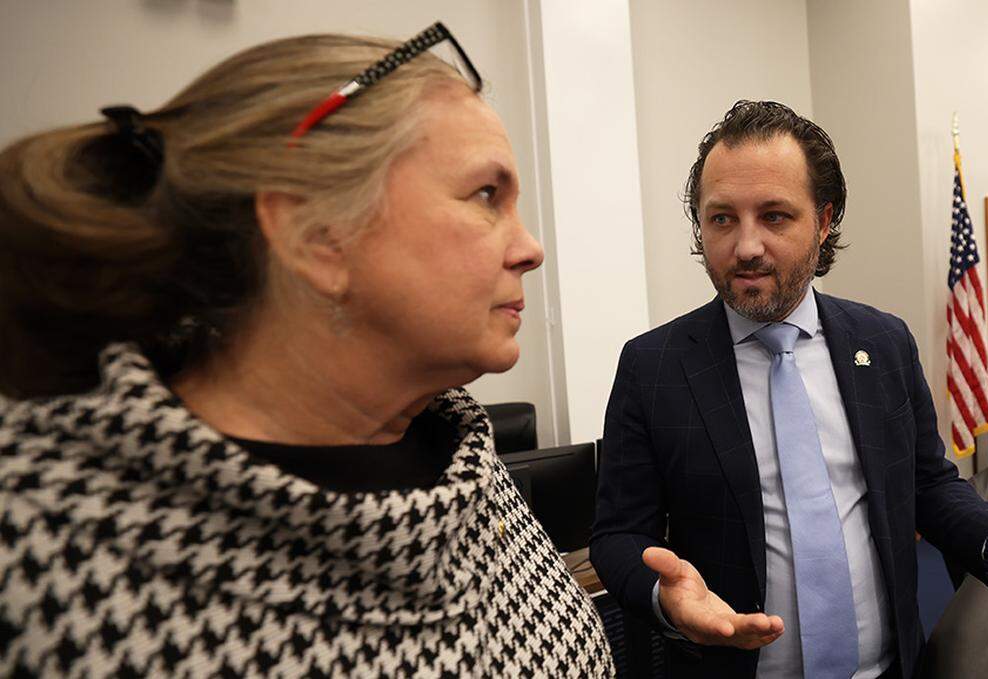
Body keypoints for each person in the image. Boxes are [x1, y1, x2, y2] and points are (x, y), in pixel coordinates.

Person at [0, 26, 613, 677]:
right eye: (487, 195)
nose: (531, 248)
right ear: (315, 235)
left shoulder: (466, 465)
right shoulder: (37, 546)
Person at [590, 100, 988, 679]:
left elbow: (926, 485)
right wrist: (664, 601)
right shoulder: (654, 366)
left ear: (823, 220)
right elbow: (619, 536)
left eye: (774, 216)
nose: (745, 247)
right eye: (721, 218)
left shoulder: (883, 342)